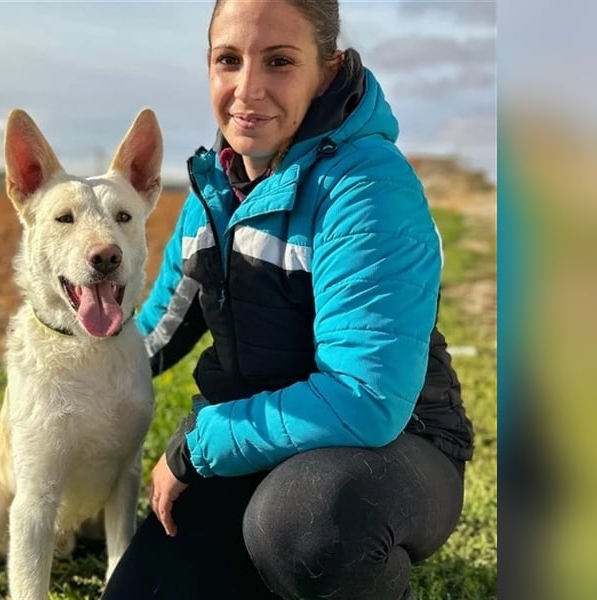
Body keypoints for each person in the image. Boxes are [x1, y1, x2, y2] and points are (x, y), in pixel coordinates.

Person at [101, 1, 474, 598]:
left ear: (328, 70)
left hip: (392, 448)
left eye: (279, 61)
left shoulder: (366, 188)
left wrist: (197, 445)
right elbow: (157, 332)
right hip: (266, 445)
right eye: (229, 60)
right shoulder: (213, 191)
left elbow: (366, 400)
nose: (247, 89)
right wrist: (67, 367)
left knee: (305, 528)